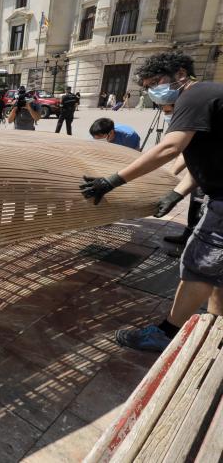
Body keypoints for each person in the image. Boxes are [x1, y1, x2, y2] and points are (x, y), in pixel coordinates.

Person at [79, 52, 223, 353]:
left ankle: (166, 333)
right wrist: (177, 192)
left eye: (157, 82)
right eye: (148, 86)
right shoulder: (209, 95)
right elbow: (207, 159)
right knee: (217, 270)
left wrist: (112, 180)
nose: (154, 91)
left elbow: (170, 147)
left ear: (181, 73)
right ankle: (216, 324)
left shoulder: (194, 97)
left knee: (199, 265)